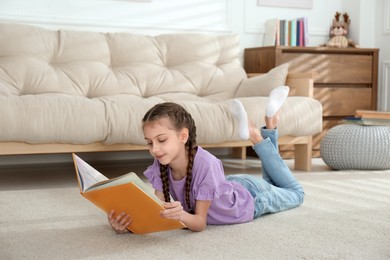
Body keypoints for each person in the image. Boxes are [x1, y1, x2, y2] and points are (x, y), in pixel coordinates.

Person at [108, 86, 304, 233]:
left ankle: (257, 136)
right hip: (228, 187)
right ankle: (270, 125)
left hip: (251, 198)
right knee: (274, 182)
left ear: (183, 136)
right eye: (149, 143)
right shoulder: (161, 162)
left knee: (296, 193)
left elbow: (199, 223)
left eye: (161, 140)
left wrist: (181, 215)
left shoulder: (206, 164)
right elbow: (157, 210)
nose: (155, 149)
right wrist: (128, 225)